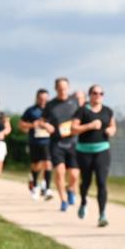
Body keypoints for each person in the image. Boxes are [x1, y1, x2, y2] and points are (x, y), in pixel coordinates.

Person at [72, 85, 116, 227]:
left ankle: (102, 214)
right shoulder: (82, 111)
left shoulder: (108, 111)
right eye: (95, 93)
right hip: (84, 151)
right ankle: (84, 201)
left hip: (102, 150)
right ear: (90, 95)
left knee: (102, 182)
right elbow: (73, 129)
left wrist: (110, 130)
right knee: (86, 182)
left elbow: (113, 126)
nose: (98, 95)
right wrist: (89, 126)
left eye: (101, 93)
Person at [43, 77, 80, 212]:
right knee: (59, 172)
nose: (62, 90)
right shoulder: (50, 104)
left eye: (64, 88)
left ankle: (70, 189)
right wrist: (46, 125)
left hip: (73, 142)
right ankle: (63, 200)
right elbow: (42, 120)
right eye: (59, 88)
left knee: (75, 174)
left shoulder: (74, 102)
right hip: (56, 143)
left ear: (68, 88)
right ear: (55, 89)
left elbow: (82, 117)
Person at [19, 88, 54, 200]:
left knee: (48, 164)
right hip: (35, 142)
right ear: (37, 98)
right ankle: (34, 184)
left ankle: (47, 188)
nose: (43, 101)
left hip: (48, 142)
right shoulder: (31, 110)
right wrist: (33, 125)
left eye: (45, 99)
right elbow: (21, 125)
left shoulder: (52, 110)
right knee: (36, 165)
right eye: (41, 99)